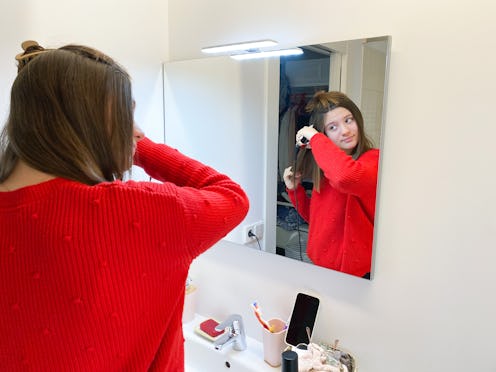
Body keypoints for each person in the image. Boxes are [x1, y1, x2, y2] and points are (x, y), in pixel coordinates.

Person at [0, 41, 249, 371]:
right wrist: (142, 149)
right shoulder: (139, 211)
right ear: (93, 120)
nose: (136, 131)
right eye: (126, 116)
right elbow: (232, 196)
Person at [283, 91, 378, 278]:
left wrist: (316, 138)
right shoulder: (327, 170)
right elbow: (317, 219)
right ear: (325, 133)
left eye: (349, 120)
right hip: (321, 266)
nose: (345, 131)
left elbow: (346, 177)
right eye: (333, 127)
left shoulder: (373, 159)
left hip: (357, 274)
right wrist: (295, 191)